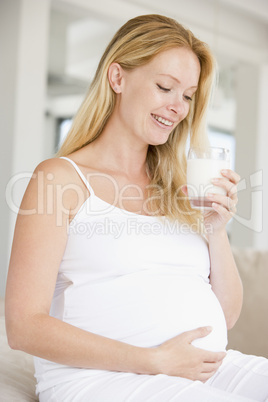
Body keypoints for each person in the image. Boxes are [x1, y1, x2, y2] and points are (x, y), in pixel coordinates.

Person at [5, 14, 268, 402]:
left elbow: (225, 317)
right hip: (102, 379)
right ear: (117, 78)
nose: (178, 107)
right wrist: (155, 360)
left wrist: (216, 227)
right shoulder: (61, 179)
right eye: (165, 87)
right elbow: (23, 326)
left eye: (188, 95)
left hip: (207, 366)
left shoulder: (180, 188)